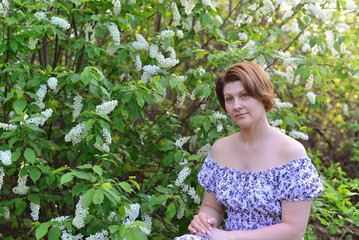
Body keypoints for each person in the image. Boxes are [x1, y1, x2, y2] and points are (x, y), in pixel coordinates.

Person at [174, 62, 323, 240]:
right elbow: (212, 208)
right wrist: (204, 224)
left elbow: (294, 231)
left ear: (261, 96)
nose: (236, 105)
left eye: (244, 95)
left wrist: (228, 238)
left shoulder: (291, 153)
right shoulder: (220, 149)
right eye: (229, 99)